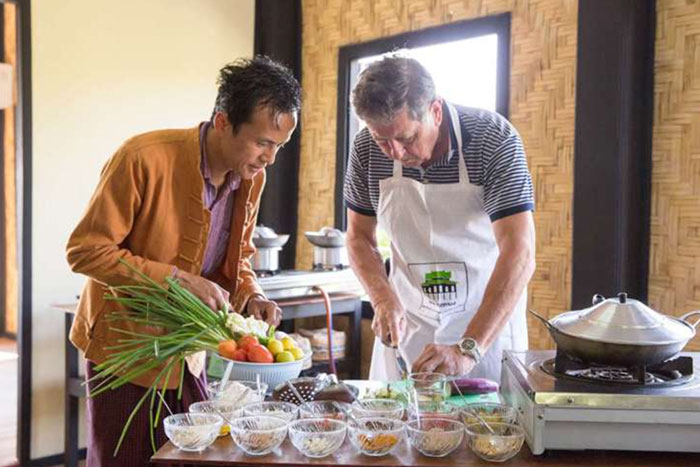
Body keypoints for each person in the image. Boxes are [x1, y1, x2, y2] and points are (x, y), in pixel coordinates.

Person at [66, 56, 300, 466]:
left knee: (193, 457)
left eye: (279, 146)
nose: (270, 159)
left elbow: (238, 255)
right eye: (263, 142)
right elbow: (86, 251)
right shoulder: (142, 157)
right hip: (125, 349)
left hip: (187, 352)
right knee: (124, 460)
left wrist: (251, 293)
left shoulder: (251, 177)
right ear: (224, 120)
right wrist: (177, 279)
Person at [344, 55, 535, 383]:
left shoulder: (493, 140)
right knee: (393, 429)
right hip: (409, 322)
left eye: (406, 139)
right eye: (381, 140)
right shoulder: (365, 149)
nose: (396, 154)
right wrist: (382, 297)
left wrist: (468, 348)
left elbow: (520, 251)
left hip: (484, 324)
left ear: (435, 110)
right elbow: (359, 236)